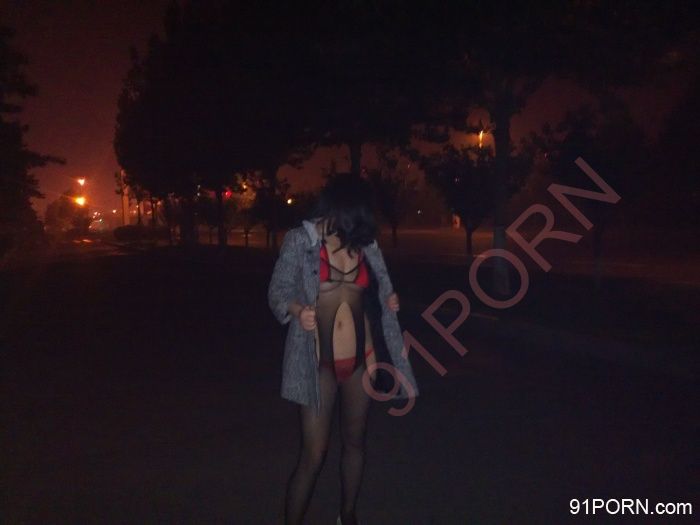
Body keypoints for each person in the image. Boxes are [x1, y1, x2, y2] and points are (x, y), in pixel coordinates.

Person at [267, 173, 419, 525]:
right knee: (313, 455)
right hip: (317, 363)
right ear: (340, 207)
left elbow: (379, 291)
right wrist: (297, 310)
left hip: (361, 361)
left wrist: (390, 301)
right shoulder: (301, 240)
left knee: (355, 443)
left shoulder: (365, 243)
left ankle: (347, 516)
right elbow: (277, 291)